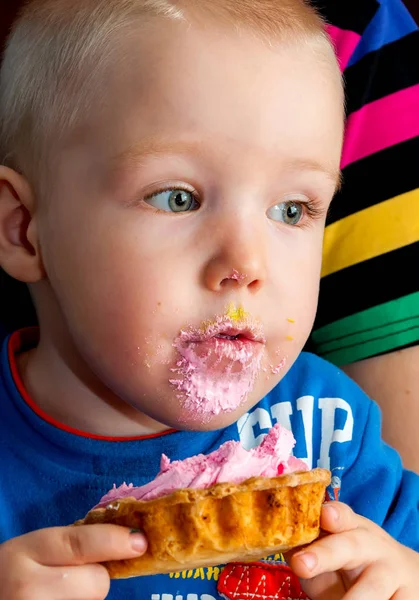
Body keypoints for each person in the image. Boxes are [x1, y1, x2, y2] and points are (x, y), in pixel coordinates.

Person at [0, 1, 418, 600]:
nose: (247, 264)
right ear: (24, 229)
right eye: (177, 198)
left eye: (291, 211)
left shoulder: (336, 432)